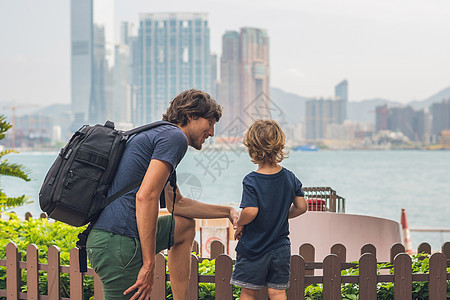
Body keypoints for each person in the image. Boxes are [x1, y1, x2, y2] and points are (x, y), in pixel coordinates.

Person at [86, 89, 239, 300]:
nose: (212, 132)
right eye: (210, 123)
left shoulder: (159, 134)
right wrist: (149, 264)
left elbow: (178, 204)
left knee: (184, 226)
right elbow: (146, 197)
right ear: (190, 116)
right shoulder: (174, 138)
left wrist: (228, 211)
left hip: (114, 238)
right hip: (119, 242)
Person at [230, 120, 307, 300]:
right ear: (280, 146)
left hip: (254, 247)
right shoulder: (290, 177)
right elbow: (302, 207)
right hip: (280, 247)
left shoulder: (251, 180)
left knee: (249, 291)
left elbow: (250, 212)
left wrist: (239, 223)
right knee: (277, 291)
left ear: (251, 148)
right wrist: (281, 216)